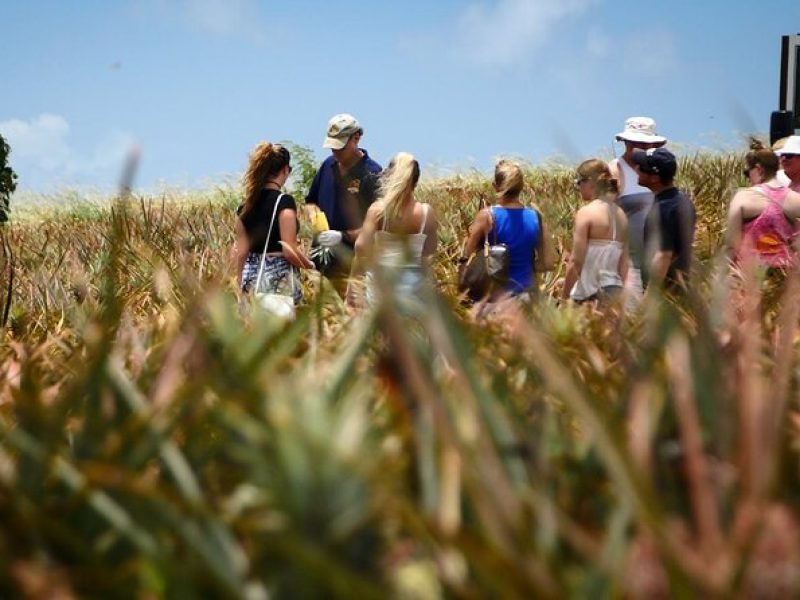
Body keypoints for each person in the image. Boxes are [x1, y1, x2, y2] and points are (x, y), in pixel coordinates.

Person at [347, 152, 438, 311]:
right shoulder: (425, 213)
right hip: (413, 292)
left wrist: (352, 290)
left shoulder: (378, 211)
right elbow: (429, 255)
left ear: (388, 177)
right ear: (415, 182)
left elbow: (361, 248)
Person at [305, 113, 382, 293]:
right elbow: (310, 201)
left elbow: (378, 229)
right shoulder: (327, 166)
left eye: (340, 147)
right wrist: (314, 216)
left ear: (356, 138)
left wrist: (342, 236)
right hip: (321, 264)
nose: (335, 152)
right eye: (332, 147)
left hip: (353, 268)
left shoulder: (373, 175)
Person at [460, 160, 554, 301]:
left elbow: (467, 256)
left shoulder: (487, 216)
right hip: (528, 297)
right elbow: (548, 262)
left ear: (495, 186)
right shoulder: (536, 217)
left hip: (496, 300)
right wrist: (525, 266)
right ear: (522, 187)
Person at [233, 142, 313, 304]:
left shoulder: (244, 207)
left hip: (250, 280)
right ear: (284, 170)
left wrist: (239, 282)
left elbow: (240, 253)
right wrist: (310, 266)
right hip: (277, 282)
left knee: (252, 328)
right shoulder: (284, 202)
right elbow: (289, 251)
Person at [608, 117, 667, 301]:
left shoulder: (659, 170)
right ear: (626, 142)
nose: (638, 146)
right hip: (629, 262)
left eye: (643, 143)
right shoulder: (616, 168)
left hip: (660, 259)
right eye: (633, 142)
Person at [562, 159, 630, 303]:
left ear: (590, 182)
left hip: (589, 296)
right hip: (615, 294)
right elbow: (624, 264)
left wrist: (564, 297)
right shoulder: (621, 215)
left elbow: (576, 262)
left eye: (579, 182)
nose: (578, 187)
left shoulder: (586, 213)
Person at [726, 139, 800, 267]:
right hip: (785, 277)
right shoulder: (796, 199)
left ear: (759, 169)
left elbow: (732, 246)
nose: (747, 178)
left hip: (750, 277)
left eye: (747, 173)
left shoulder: (743, 197)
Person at [632, 147, 696, 292]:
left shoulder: (664, 207)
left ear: (655, 178)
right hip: (680, 289)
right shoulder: (681, 200)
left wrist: (650, 297)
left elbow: (663, 255)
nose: (636, 168)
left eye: (641, 167)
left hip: (664, 294)